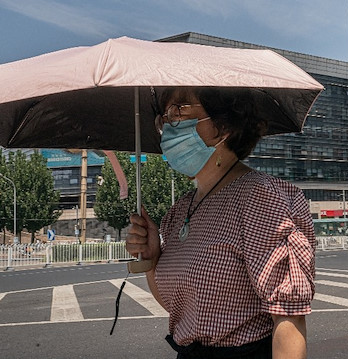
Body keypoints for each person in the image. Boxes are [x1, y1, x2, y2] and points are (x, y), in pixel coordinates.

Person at [125, 87, 316, 359]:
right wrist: (152, 258)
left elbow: (288, 318)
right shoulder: (180, 210)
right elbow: (181, 309)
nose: (168, 125)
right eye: (163, 117)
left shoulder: (259, 198)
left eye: (179, 110)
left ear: (223, 125)